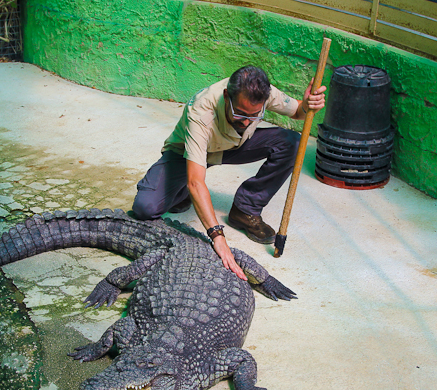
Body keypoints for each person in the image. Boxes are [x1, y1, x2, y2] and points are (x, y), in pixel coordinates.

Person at [131, 65, 326, 280]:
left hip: (233, 147)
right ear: (227, 96)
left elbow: (298, 111)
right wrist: (217, 236)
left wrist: (308, 105)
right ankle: (181, 193)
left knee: (292, 143)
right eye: (239, 113)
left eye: (254, 115)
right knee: (145, 208)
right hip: (186, 154)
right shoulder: (202, 109)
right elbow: (196, 181)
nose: (245, 122)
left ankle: (245, 209)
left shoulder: (263, 92)